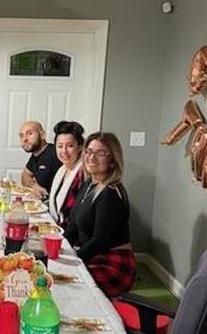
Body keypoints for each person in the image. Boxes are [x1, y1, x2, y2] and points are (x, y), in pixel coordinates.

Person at [64, 132, 136, 298]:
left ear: (112, 160)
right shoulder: (88, 184)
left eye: (100, 153)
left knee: (71, 286)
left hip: (113, 263)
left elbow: (100, 241)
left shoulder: (110, 193)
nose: (92, 157)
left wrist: (73, 260)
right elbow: (73, 224)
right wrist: (60, 250)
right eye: (89, 151)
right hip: (94, 255)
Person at [48, 121, 85, 228]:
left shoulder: (82, 174)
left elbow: (75, 215)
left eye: (70, 146)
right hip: (56, 229)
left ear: (80, 147)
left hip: (72, 237)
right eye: (60, 146)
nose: (64, 151)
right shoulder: (62, 170)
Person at [19, 120, 61, 199]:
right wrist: (34, 186)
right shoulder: (36, 154)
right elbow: (25, 175)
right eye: (21, 135)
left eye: (30, 133)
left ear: (42, 135)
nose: (24, 139)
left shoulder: (55, 153)